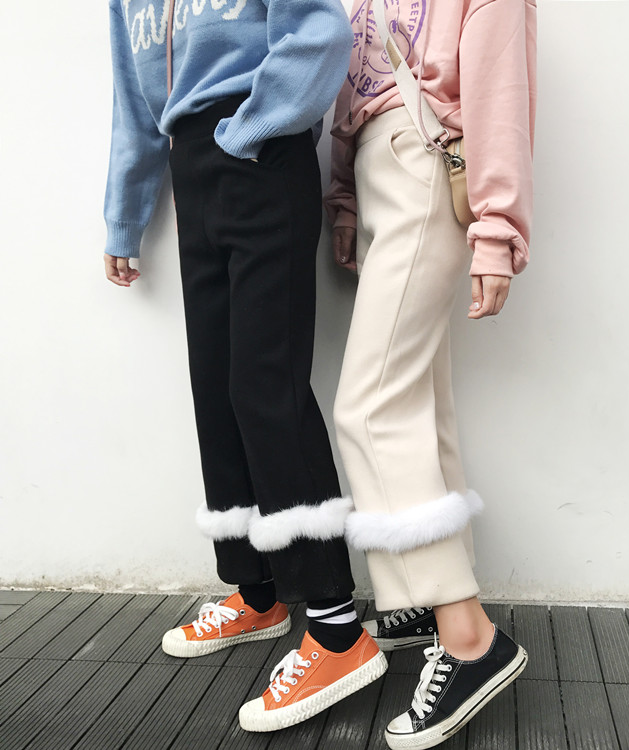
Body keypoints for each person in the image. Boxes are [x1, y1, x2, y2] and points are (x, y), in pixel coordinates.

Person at [103, 0, 387, 732]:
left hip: (260, 156)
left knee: (266, 389)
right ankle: (256, 592)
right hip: (191, 171)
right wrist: (123, 216)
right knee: (217, 390)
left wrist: (250, 130)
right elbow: (134, 102)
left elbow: (320, 34)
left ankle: (336, 629)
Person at [324, 0, 537, 747]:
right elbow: (355, 85)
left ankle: (470, 637)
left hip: (427, 164)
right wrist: (345, 198)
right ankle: (418, 596)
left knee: (368, 407)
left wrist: (497, 229)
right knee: (416, 400)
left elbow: (500, 92)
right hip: (380, 174)